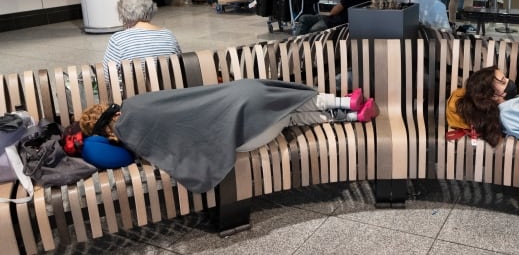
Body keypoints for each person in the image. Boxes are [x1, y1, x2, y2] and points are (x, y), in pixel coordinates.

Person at [77, 80, 377, 192]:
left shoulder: (127, 134)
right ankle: (346, 104)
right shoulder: (136, 104)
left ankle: (351, 115)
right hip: (248, 109)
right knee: (287, 105)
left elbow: (147, 149)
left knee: (287, 117)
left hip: (244, 136)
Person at [103, 0, 181, 78]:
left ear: (124, 15)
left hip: (134, 91)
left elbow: (107, 77)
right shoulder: (169, 36)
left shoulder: (118, 40)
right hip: (169, 91)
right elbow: (178, 66)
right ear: (151, 9)